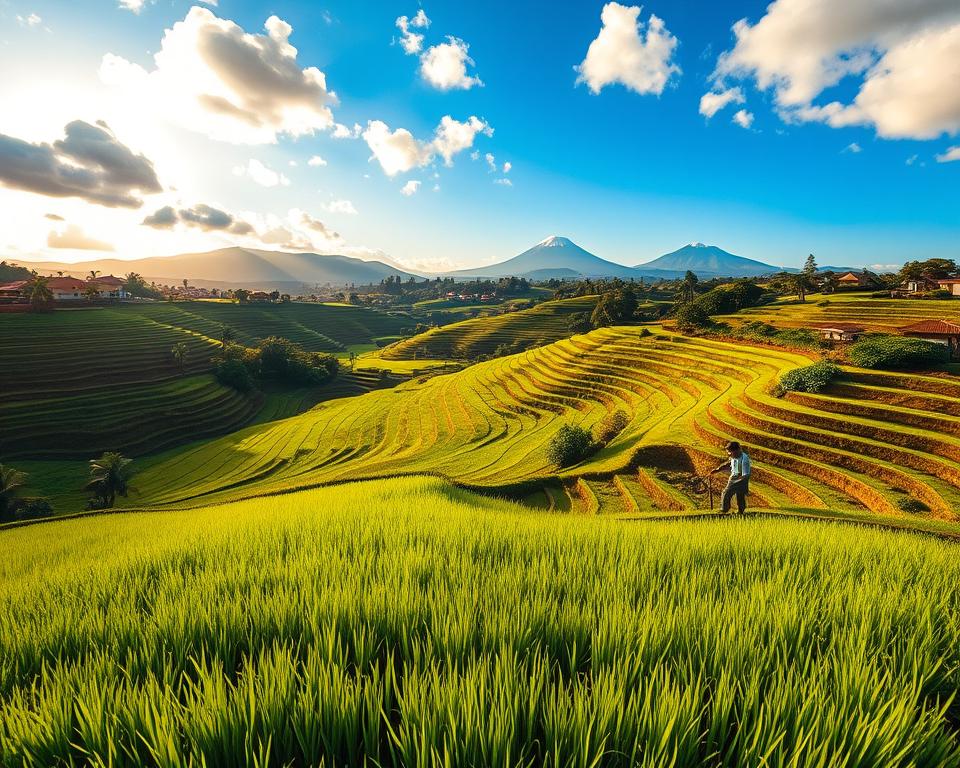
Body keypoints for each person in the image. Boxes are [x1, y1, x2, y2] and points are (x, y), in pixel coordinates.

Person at [709, 441, 751, 514]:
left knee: (727, 493)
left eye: (730, 452)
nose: (729, 454)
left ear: (736, 450)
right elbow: (728, 464)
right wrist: (717, 470)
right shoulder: (734, 456)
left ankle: (725, 509)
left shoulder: (744, 459)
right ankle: (740, 510)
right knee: (739, 494)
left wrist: (739, 482)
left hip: (741, 479)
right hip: (734, 477)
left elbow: (746, 473)